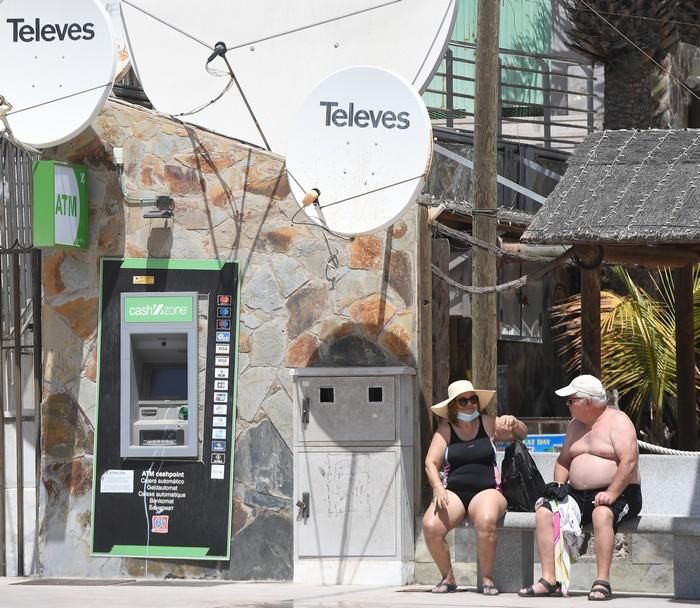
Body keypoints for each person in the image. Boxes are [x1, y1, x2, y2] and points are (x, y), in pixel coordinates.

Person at [518, 374, 641, 601]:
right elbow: (564, 460)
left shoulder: (619, 421)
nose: (567, 404)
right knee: (546, 510)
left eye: (571, 400)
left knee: (602, 513)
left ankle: (602, 581)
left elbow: (629, 462)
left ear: (587, 402)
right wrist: (558, 485)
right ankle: (549, 580)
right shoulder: (575, 426)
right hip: (577, 494)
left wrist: (612, 492)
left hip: (620, 492)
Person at [423, 379, 528, 595]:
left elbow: (522, 434)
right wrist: (437, 487)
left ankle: (487, 578)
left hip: (488, 489)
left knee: (486, 520)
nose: (470, 404)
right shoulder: (445, 430)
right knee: (431, 525)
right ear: (453, 406)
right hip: (454, 492)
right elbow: (430, 463)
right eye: (463, 401)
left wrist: (515, 422)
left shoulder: (488, 423)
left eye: (473, 399)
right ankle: (448, 578)